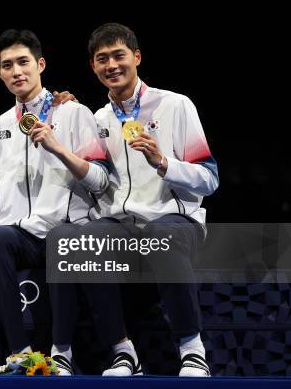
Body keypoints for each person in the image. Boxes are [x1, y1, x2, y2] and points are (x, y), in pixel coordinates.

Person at [61, 22, 218, 377]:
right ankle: (122, 351)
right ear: (93, 67)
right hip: (121, 224)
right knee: (81, 240)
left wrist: (163, 163)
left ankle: (192, 350)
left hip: (175, 220)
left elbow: (209, 179)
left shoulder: (176, 105)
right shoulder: (98, 119)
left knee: (160, 234)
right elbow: (98, 181)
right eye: (102, 59)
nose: (112, 65)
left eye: (119, 56)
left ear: (137, 57)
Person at [0, 29, 109, 376]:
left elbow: (100, 180)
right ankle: (20, 352)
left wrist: (58, 149)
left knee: (61, 238)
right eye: (7, 65)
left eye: (23, 62)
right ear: (0, 74)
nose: (16, 71)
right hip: (21, 235)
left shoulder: (75, 113)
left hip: (65, 230)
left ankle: (62, 353)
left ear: (40, 64)